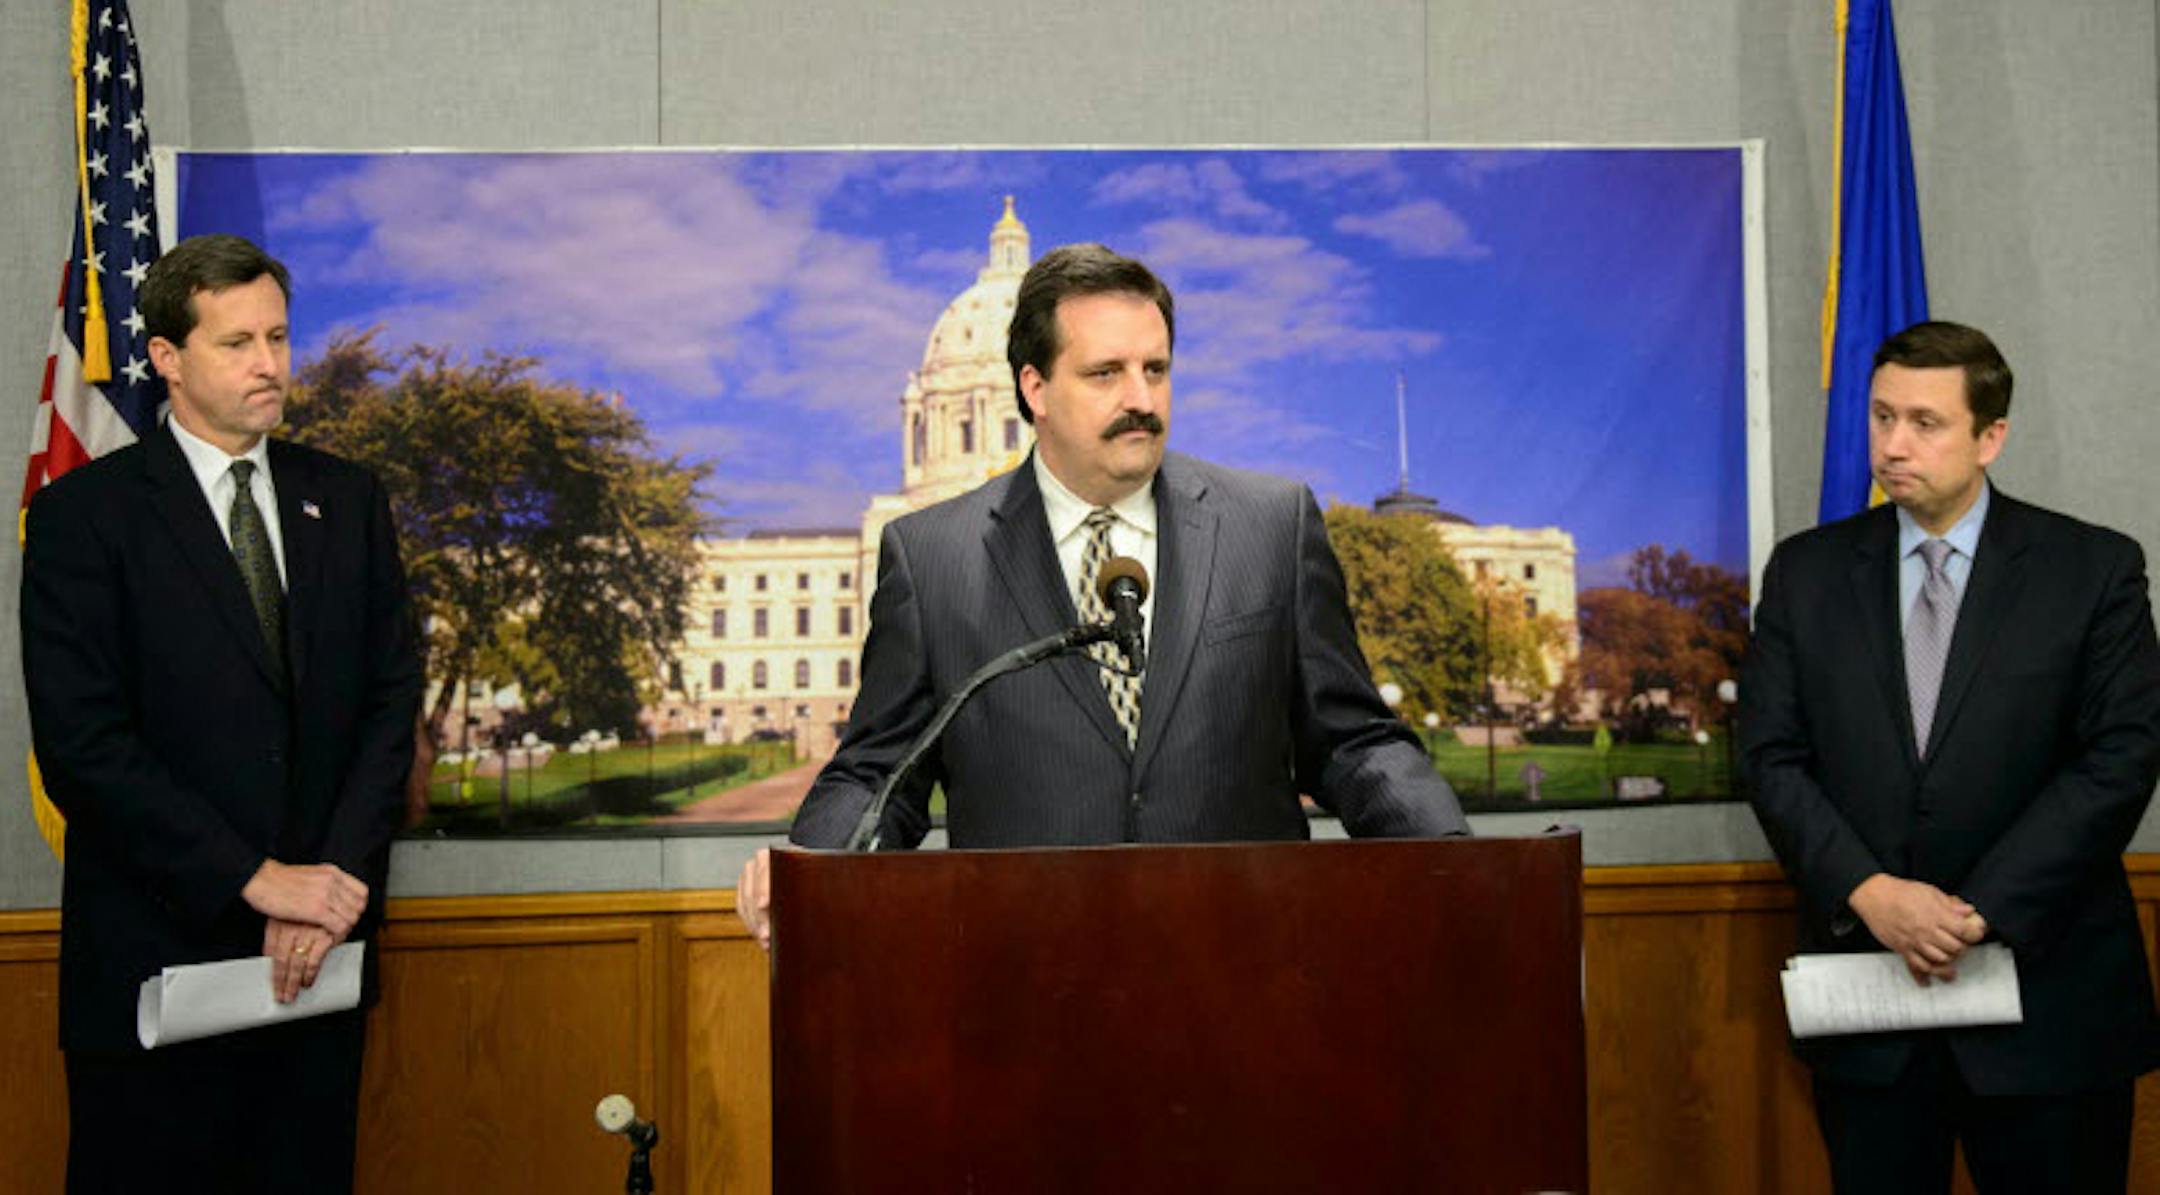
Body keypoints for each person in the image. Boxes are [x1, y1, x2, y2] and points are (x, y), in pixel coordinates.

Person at [738, 243, 1467, 945]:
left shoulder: (1272, 526)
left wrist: (1461, 862)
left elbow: (1353, 743)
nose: (1141, 399)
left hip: (1249, 967)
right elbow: (879, 775)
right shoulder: (932, 558)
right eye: (1106, 373)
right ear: (1034, 389)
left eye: (1156, 369)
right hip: (1028, 978)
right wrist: (810, 869)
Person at [21, 234, 423, 1194]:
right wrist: (256, 881)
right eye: (237, 342)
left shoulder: (348, 500)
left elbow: (389, 705)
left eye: (278, 337)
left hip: (316, 970)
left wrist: (329, 888)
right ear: (166, 357)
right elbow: (85, 748)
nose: (269, 363)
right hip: (157, 975)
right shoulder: (86, 516)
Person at [1742, 320, 2160, 1193]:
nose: (1893, 445)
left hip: (2049, 1008)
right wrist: (1871, 892)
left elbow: (2120, 757)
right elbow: (1771, 757)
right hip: (1870, 1015)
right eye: (1881, 416)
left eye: (1924, 422)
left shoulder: (2092, 569)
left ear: (1989, 436)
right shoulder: (1805, 574)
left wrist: (1976, 911)